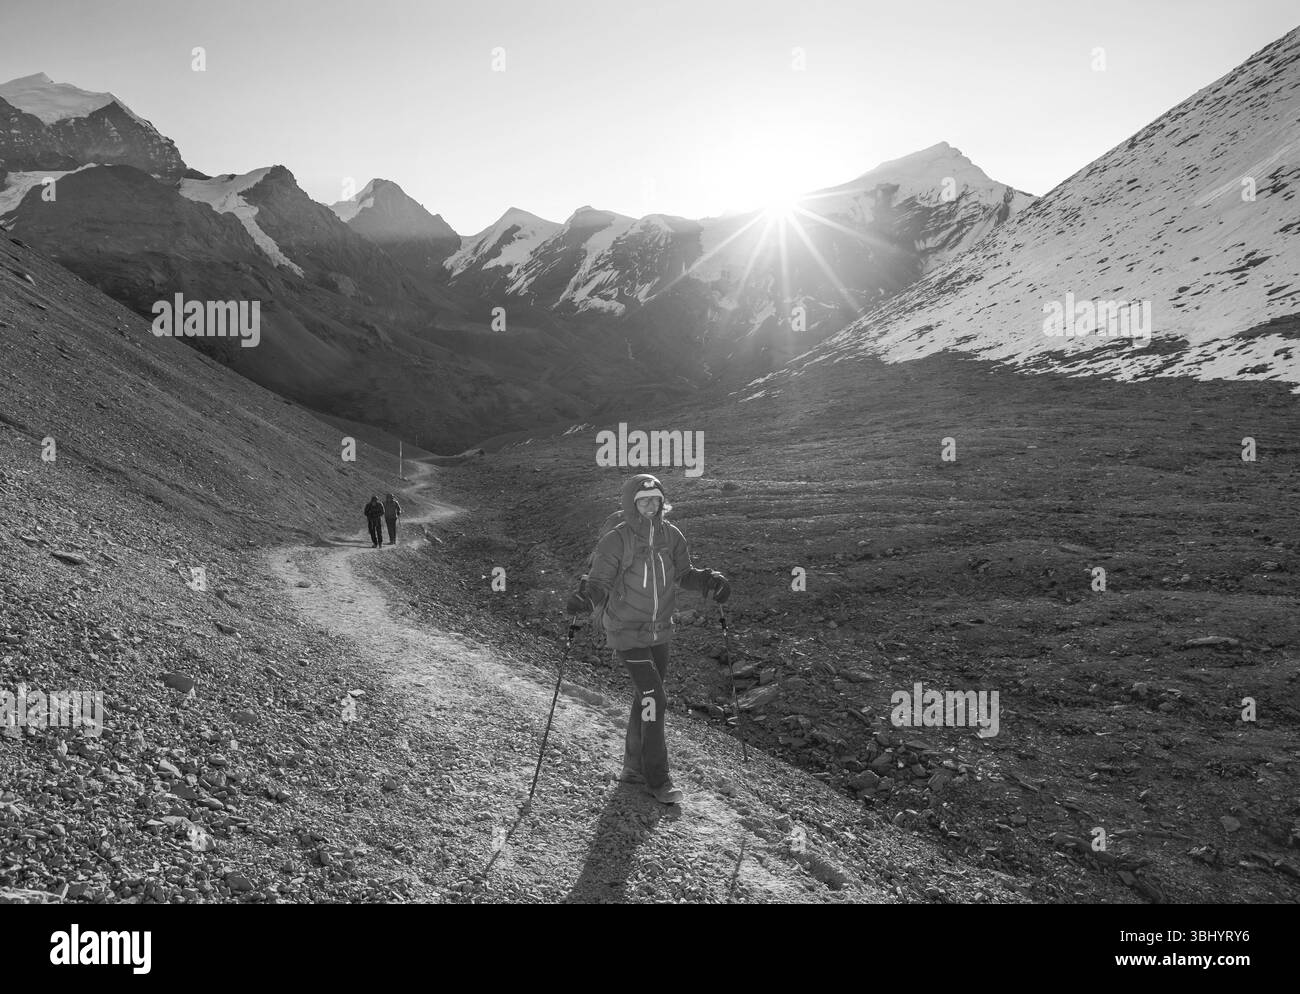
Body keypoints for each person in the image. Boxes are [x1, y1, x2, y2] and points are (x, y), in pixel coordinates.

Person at [566, 473, 730, 805]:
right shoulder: (617, 539)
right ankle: (659, 780)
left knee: (646, 698)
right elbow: (599, 581)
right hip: (626, 629)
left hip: (659, 629)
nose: (650, 506)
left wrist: (708, 582)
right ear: (631, 503)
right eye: (643, 501)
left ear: (662, 501)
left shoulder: (672, 536)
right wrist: (587, 599)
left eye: (655, 500)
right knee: (656, 697)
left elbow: (684, 575)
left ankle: (632, 768)